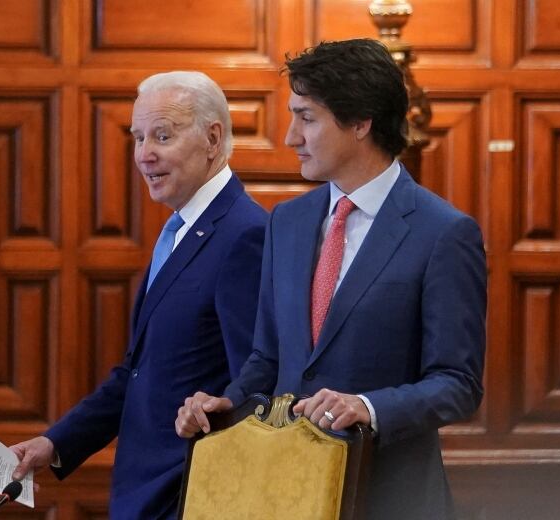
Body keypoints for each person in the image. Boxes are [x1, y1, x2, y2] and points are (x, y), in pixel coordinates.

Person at [175, 39, 486, 520]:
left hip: (391, 499)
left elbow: (458, 384)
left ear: (361, 122)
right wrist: (226, 402)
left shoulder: (445, 233)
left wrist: (367, 406)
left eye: (306, 117)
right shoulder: (287, 222)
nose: (290, 136)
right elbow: (268, 358)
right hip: (287, 494)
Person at [9, 71, 267, 519]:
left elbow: (255, 383)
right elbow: (137, 373)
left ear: (212, 137)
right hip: (147, 494)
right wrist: (55, 444)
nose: (145, 155)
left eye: (162, 136)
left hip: (192, 494)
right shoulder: (180, 231)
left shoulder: (245, 235)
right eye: (138, 138)